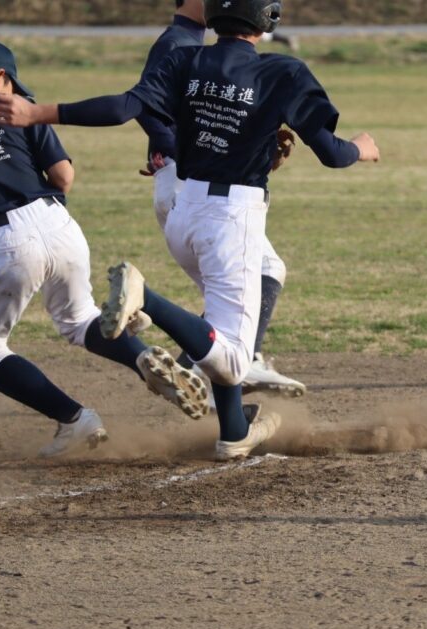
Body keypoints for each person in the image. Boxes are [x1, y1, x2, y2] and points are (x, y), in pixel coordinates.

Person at [0, 0, 380, 460]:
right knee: (234, 358)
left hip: (184, 211)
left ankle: (233, 432)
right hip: (231, 219)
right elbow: (332, 153)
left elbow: (123, 108)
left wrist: (39, 113)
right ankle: (145, 298)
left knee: (218, 327)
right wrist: (361, 148)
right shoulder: (285, 72)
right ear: (267, 19)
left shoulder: (184, 58)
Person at [0, 37, 209, 460]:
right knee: (80, 319)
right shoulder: (21, 108)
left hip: (4, 239)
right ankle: (140, 358)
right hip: (59, 223)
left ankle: (74, 419)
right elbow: (64, 177)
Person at [137, 0, 307, 402]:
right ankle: (226, 363)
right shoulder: (180, 43)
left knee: (234, 296)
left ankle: (192, 371)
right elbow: (145, 107)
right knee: (266, 269)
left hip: (190, 184)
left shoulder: (193, 42)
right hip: (192, 187)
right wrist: (174, 151)